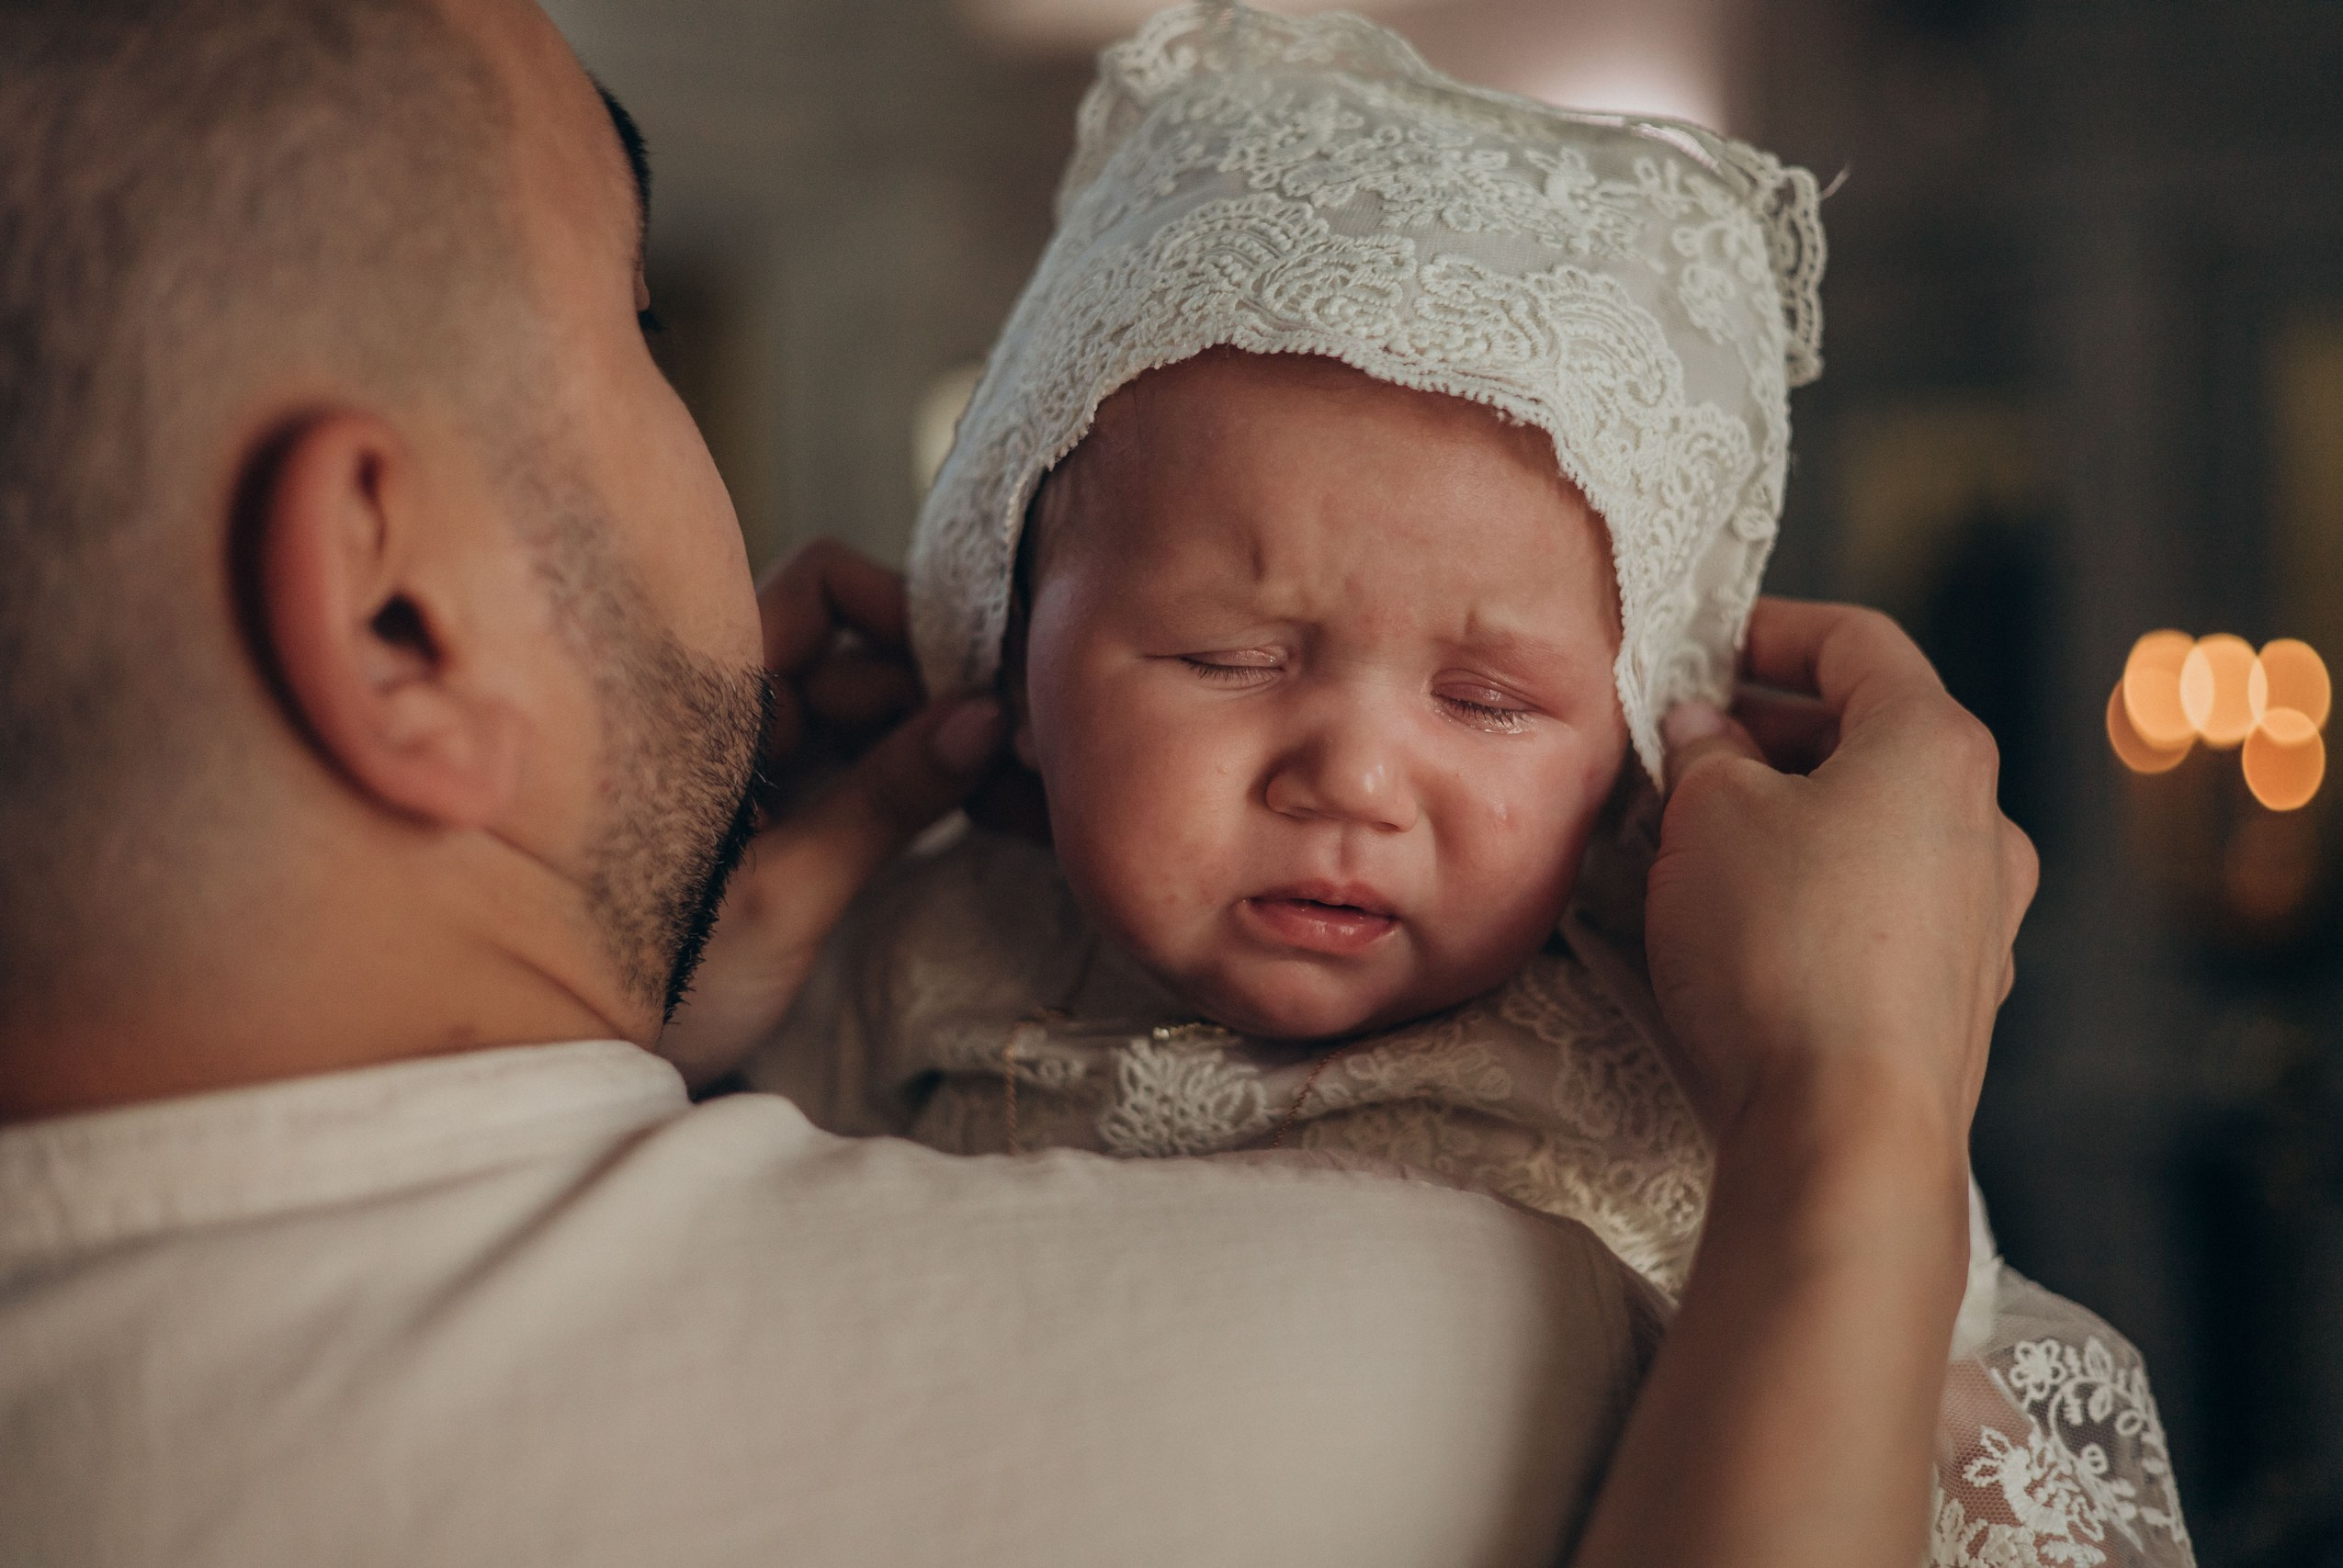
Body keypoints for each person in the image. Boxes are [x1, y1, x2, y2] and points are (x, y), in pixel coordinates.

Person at [0, 2, 2038, 1566]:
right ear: (395, 613)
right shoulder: (1499, 1349)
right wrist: (1853, 1106)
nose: (1344, 765)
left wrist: (612, 983)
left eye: (1491, 697)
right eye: (642, 327)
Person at [744, 13, 2192, 1565]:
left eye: (1489, 700)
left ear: (1641, 754)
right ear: (1010, 667)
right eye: (1230, 657)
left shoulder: (1687, 1049)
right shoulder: (904, 954)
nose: (1354, 776)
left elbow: (1918, 1415)